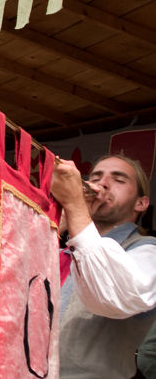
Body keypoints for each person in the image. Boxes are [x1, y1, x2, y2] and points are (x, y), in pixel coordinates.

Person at [51, 154, 156, 378]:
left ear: (141, 203)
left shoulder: (148, 251)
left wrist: (75, 207)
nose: (102, 184)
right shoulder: (62, 250)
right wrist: (57, 226)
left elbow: (113, 295)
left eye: (119, 180)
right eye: (96, 177)